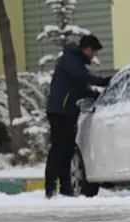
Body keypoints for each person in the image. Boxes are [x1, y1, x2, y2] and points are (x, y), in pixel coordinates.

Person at [45, 35, 112, 199]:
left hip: (68, 112)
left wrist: (100, 96)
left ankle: (65, 187)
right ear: (88, 49)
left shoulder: (76, 62)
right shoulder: (70, 60)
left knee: (67, 150)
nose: (94, 56)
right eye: (94, 52)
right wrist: (103, 82)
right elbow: (82, 77)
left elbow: (82, 89)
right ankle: (50, 187)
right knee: (59, 149)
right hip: (60, 112)